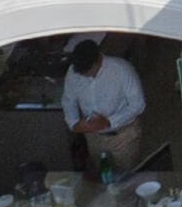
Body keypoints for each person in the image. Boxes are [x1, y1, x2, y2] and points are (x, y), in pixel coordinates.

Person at [61, 39, 145, 178]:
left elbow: (138, 105)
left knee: (127, 179)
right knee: (102, 176)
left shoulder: (121, 69)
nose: (84, 75)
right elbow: (68, 100)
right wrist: (73, 123)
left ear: (98, 60)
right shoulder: (73, 72)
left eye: (87, 71)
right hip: (94, 137)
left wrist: (109, 122)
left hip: (123, 137)